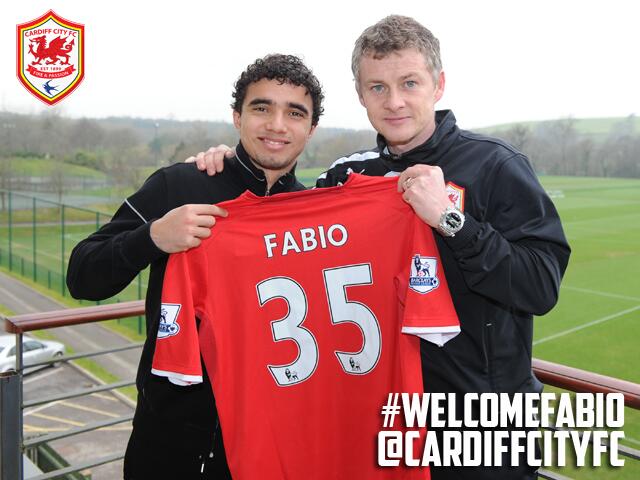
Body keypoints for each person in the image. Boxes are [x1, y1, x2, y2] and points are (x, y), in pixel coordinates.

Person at [189, 15, 571, 479]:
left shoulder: (495, 165)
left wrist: (453, 222)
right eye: (377, 87)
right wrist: (234, 164)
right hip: (383, 424)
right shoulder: (348, 175)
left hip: (480, 430)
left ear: (439, 84)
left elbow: (540, 286)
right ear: (360, 94)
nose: (394, 102)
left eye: (409, 83)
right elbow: (283, 234)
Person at [66, 53, 323, 479]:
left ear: (311, 129)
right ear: (237, 117)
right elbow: (82, 276)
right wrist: (151, 237)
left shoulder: (313, 211)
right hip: (170, 444)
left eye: (294, 113)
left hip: (271, 444)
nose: (277, 125)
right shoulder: (180, 184)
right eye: (262, 107)